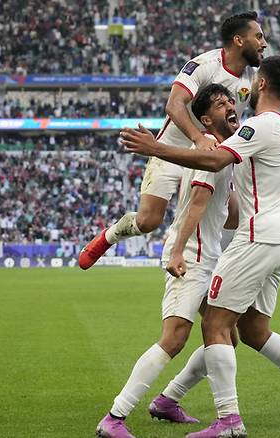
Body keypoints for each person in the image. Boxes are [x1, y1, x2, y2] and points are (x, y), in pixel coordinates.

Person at [121, 56, 280, 437]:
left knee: (215, 324)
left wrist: (155, 149)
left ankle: (228, 421)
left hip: (256, 236)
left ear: (259, 85)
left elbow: (211, 160)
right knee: (254, 330)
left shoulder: (257, 128)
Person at [79, 11, 280, 270]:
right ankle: (110, 236)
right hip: (171, 150)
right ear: (239, 40)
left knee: (236, 214)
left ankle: (223, 266)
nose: (264, 43)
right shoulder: (204, 65)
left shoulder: (251, 79)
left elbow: (270, 110)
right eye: (258, 36)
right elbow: (174, 105)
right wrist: (198, 138)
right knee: (148, 221)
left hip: (210, 156)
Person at [96, 84, 241, 438]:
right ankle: (115, 417)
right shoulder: (209, 150)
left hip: (209, 256)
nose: (230, 106)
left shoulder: (225, 152)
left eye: (231, 100)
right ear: (206, 119)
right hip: (191, 257)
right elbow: (196, 205)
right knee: (175, 337)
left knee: (226, 337)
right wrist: (177, 252)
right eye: (221, 104)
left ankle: (168, 400)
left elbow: (230, 215)